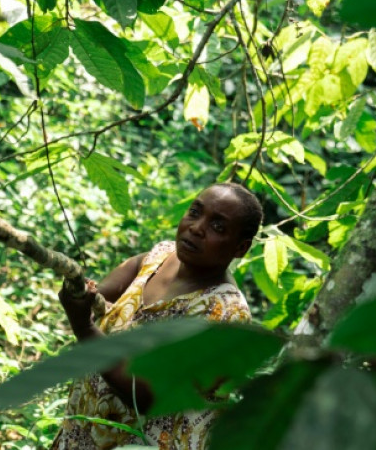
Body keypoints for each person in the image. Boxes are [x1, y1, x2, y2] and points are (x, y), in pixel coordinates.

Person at [51, 182, 263, 450]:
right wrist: (81, 295)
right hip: (85, 433)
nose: (197, 228)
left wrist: (83, 327)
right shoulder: (158, 257)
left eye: (218, 227)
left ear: (240, 248)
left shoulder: (224, 313)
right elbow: (102, 297)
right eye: (195, 212)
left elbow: (150, 395)